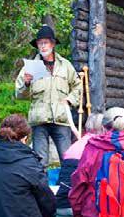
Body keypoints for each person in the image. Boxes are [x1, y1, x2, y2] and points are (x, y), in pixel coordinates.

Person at [15, 25, 82, 166]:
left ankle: (68, 187)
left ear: (52, 44)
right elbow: (19, 94)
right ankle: (41, 188)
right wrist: (26, 84)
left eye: (46, 42)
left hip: (61, 119)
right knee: (40, 161)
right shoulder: (30, 67)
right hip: (39, 120)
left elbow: (78, 86)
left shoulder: (65, 65)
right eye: (40, 43)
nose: (43, 46)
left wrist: (70, 100)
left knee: (67, 159)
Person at [55, 113, 105, 217]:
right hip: (77, 207)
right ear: (103, 127)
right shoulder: (97, 147)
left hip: (60, 203)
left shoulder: (75, 145)